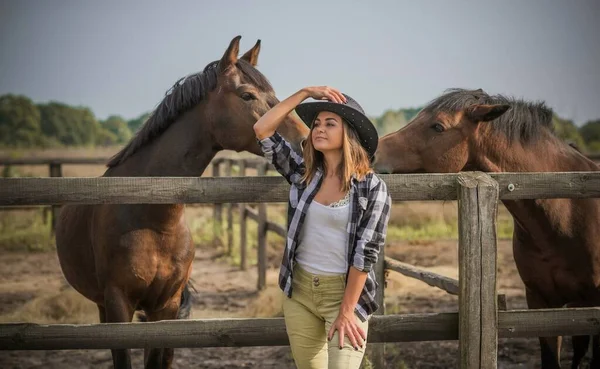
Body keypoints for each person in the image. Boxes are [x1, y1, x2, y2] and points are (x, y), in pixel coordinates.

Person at [253, 86, 392, 369]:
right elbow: (262, 129)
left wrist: (346, 311)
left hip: (345, 296)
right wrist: (304, 93)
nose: (319, 129)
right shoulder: (303, 175)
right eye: (316, 123)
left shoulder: (372, 188)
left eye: (330, 124)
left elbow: (365, 255)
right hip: (300, 294)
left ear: (349, 133)